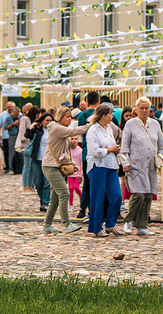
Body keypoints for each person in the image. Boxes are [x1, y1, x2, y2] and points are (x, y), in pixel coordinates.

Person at [120, 97, 163, 236]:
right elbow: (124, 146)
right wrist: (125, 162)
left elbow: (161, 145)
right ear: (136, 109)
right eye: (141, 108)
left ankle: (142, 225)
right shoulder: (130, 124)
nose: (144, 110)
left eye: (146, 108)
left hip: (151, 165)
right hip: (135, 165)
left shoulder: (155, 124)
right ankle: (129, 220)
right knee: (138, 195)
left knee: (148, 195)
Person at [42, 106, 91, 233]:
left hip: (55, 166)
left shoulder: (59, 129)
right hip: (50, 166)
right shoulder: (58, 128)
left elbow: (64, 151)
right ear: (60, 117)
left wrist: (71, 164)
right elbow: (75, 131)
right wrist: (91, 125)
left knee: (55, 198)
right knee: (64, 193)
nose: (70, 119)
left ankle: (47, 225)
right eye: (67, 117)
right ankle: (67, 224)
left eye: (70, 117)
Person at [86, 103, 123, 237]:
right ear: (103, 115)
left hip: (111, 166)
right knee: (98, 197)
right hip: (98, 167)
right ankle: (96, 227)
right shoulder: (93, 130)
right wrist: (109, 149)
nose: (112, 116)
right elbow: (93, 150)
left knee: (116, 196)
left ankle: (110, 224)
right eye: (110, 114)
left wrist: (115, 149)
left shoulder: (108, 129)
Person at [23, 110, 53, 213]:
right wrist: (32, 126)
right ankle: (42, 200)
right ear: (42, 121)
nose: (48, 122)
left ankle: (45, 202)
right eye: (47, 120)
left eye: (50, 120)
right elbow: (27, 135)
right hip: (37, 158)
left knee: (47, 183)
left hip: (49, 161)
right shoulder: (38, 130)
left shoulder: (54, 131)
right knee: (38, 182)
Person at [77, 90, 99, 219]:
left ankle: (82, 208)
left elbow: (81, 132)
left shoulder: (82, 115)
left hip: (86, 151)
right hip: (97, 152)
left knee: (86, 181)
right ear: (98, 101)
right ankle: (93, 209)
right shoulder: (100, 113)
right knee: (96, 182)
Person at [16, 104, 38, 192]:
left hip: (30, 145)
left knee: (30, 166)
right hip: (25, 145)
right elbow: (22, 131)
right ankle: (25, 185)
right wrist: (23, 140)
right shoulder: (25, 119)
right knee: (27, 166)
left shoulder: (30, 120)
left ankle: (30, 185)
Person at [0, 102, 18, 173]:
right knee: (6, 152)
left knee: (14, 152)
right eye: (9, 107)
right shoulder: (2, 115)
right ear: (6, 107)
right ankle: (7, 166)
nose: (11, 108)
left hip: (15, 137)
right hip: (5, 136)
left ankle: (15, 166)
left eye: (12, 107)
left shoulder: (18, 115)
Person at [67, 136, 83, 205]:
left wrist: (81, 173)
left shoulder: (80, 151)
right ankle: (70, 204)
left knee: (76, 187)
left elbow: (81, 162)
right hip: (70, 172)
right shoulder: (67, 150)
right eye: (72, 139)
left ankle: (82, 200)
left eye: (75, 139)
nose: (74, 141)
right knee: (70, 188)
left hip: (78, 172)